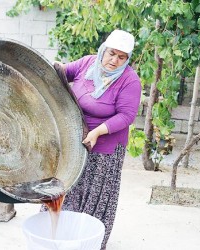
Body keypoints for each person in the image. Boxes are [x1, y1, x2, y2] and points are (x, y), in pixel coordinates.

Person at [44, 30, 142, 249]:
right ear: (103, 50)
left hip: (105, 147)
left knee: (94, 194)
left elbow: (127, 116)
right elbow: (63, 72)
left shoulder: (129, 81)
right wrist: (54, 66)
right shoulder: (87, 63)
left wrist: (97, 132)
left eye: (121, 57)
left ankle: (85, 242)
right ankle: (58, 237)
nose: (114, 61)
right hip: (74, 140)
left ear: (127, 59)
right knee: (66, 186)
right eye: (111, 54)